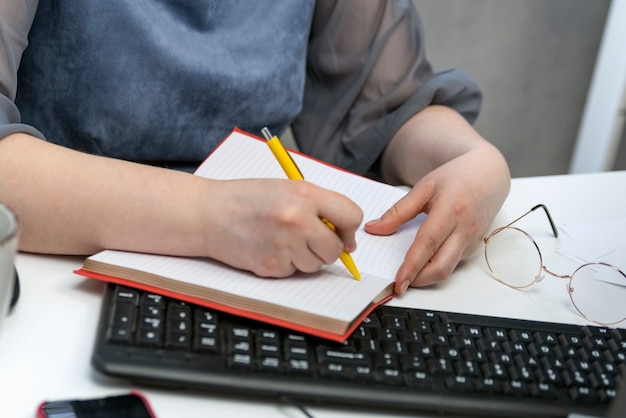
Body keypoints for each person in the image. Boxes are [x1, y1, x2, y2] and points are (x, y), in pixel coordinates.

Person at [0, 0, 510, 295]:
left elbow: (387, 103)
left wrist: (475, 159)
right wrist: (211, 215)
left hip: (265, 277)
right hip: (57, 275)